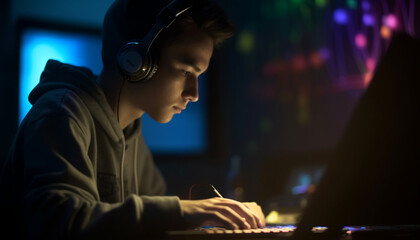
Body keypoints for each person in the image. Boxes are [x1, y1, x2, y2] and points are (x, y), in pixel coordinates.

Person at [0, 0, 265, 239]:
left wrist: (207, 215)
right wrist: (182, 211)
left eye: (198, 76)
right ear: (136, 61)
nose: (194, 94)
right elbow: (57, 223)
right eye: (185, 71)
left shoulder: (130, 133)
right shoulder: (61, 114)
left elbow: (151, 222)